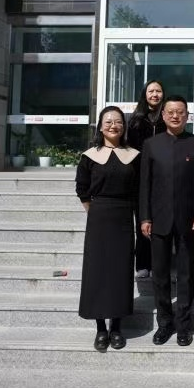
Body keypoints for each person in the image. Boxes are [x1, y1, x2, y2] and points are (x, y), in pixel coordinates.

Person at [139, 95, 194, 347]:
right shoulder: (151, 144)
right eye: (171, 112)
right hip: (158, 220)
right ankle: (165, 323)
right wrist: (145, 217)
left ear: (187, 116)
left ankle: (184, 325)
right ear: (163, 115)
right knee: (160, 275)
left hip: (188, 220)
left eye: (180, 112)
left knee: (186, 274)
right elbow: (145, 185)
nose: (175, 116)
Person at [76, 105, 140, 352]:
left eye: (118, 121)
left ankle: (117, 327)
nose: (114, 125)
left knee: (120, 271)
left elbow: (138, 189)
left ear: (124, 126)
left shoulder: (133, 155)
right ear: (101, 127)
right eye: (108, 121)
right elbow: (82, 190)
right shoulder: (89, 156)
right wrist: (96, 211)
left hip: (124, 216)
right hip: (99, 217)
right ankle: (101, 328)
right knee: (98, 271)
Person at [126, 79, 167, 279]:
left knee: (161, 222)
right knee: (142, 220)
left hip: (163, 177)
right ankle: (142, 263)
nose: (155, 95)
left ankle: (159, 263)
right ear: (145, 94)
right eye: (151, 91)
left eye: (158, 91)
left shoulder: (166, 118)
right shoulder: (135, 120)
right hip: (140, 178)